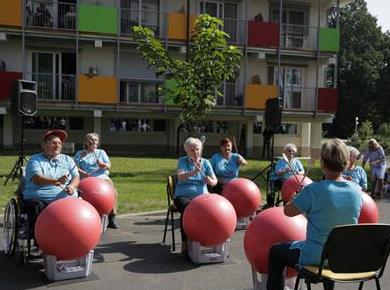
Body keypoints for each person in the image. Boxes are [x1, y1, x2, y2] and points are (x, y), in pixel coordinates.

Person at [266, 138, 363, 290]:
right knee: (331, 244)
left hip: (316, 257)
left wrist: (295, 198)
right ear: (345, 162)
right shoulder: (357, 190)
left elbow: (288, 211)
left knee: (276, 251)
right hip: (342, 257)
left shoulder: (313, 190)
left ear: (323, 163)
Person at [22, 129, 79, 234]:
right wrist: (56, 181)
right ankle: (39, 237)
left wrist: (71, 187)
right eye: (53, 143)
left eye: (59, 143)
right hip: (39, 198)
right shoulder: (35, 159)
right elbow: (37, 178)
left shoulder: (68, 159)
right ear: (43, 145)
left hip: (66, 200)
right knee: (35, 206)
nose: (57, 145)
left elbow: (76, 177)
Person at [174, 137, 218, 253]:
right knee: (188, 209)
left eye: (197, 149)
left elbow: (215, 180)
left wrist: (211, 182)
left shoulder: (206, 163)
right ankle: (185, 242)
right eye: (192, 150)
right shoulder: (182, 161)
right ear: (187, 151)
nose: (195, 152)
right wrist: (194, 172)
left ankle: (208, 238)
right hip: (183, 195)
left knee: (212, 210)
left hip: (202, 196)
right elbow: (180, 177)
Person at [74, 133, 119, 229]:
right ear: (85, 142)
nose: (93, 142)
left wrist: (103, 165)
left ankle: (112, 217)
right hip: (86, 178)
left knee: (113, 192)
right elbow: (75, 167)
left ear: (98, 142)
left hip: (101, 177)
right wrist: (84, 173)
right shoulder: (80, 154)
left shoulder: (101, 152)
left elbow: (108, 165)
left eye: (95, 140)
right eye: (90, 140)